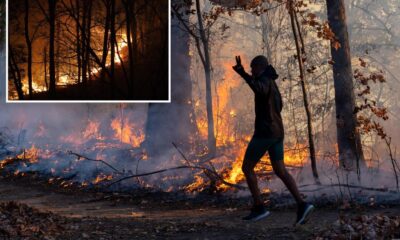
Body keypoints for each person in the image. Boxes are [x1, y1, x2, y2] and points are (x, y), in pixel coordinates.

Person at [232, 55, 314, 225]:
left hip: (266, 133)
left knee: (247, 168)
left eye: (253, 68)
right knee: (280, 170)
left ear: (260, 67)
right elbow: (278, 105)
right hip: (277, 132)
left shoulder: (265, 80)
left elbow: (259, 89)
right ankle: (302, 204)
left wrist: (243, 74)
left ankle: (259, 207)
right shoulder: (272, 82)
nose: (252, 71)